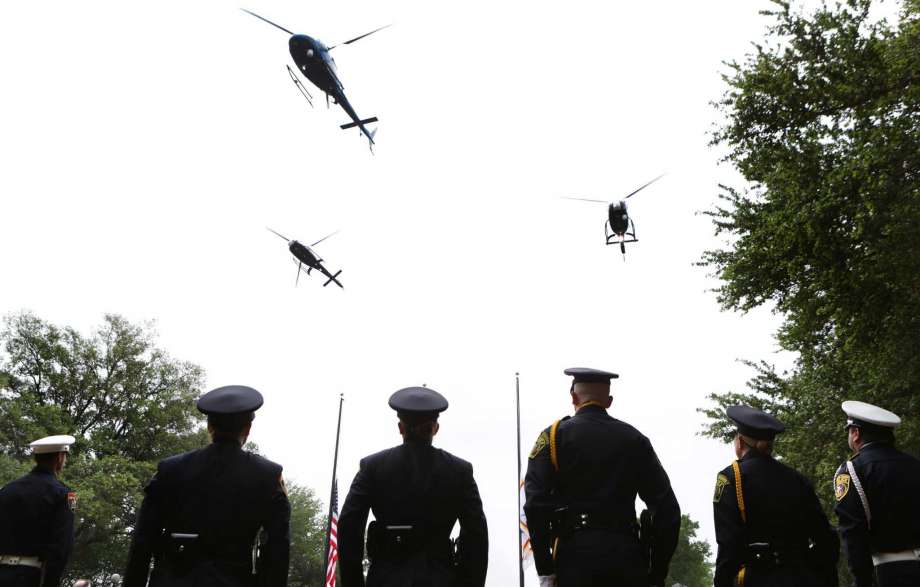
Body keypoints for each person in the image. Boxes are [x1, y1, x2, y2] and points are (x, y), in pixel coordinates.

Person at [524, 367, 680, 587]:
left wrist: (546, 570)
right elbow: (668, 511)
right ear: (609, 401)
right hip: (627, 561)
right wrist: (656, 572)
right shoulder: (635, 440)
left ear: (573, 397)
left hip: (573, 560)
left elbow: (534, 505)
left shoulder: (552, 437)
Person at [123, 385, 290, 587]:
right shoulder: (267, 476)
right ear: (247, 429)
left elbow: (143, 541)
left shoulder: (170, 470)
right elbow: (277, 551)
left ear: (209, 426)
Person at [338, 386, 489, 587]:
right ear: (435, 428)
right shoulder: (460, 471)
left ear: (400, 427)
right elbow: (476, 536)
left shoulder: (372, 467)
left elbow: (349, 526)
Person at [712, 405, 838, 587]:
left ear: (739, 442)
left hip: (756, 578)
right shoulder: (797, 479)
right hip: (801, 578)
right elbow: (824, 538)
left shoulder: (731, 477)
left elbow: (728, 544)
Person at [834, 400, 920, 587]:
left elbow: (853, 531)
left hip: (889, 572)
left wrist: (862, 581)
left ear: (856, 433)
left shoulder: (853, 470)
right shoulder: (914, 464)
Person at [0, 435, 76, 587]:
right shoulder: (68, 495)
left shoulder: (6, 490)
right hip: (31, 578)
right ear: (60, 458)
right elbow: (61, 548)